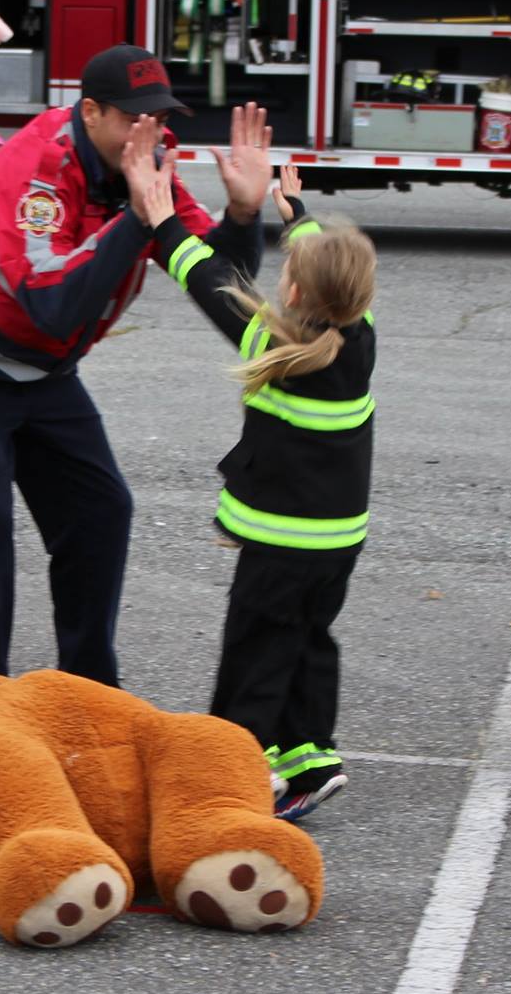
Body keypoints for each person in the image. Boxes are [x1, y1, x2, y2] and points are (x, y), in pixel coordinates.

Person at [0, 45, 271, 686]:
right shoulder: (39, 166)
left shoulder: (145, 163)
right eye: (134, 119)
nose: (152, 134)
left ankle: (85, 692)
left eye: (161, 118)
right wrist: (138, 219)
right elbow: (52, 303)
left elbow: (214, 277)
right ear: (90, 113)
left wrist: (244, 215)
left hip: (40, 369)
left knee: (101, 511)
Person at [134, 159, 377, 820]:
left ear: (293, 294)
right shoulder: (358, 340)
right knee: (307, 640)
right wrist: (296, 214)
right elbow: (328, 269)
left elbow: (207, 279)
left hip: (278, 545)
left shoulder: (275, 344)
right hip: (337, 545)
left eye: (289, 275)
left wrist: (163, 223)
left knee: (255, 654)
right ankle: (311, 756)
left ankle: (236, 770)